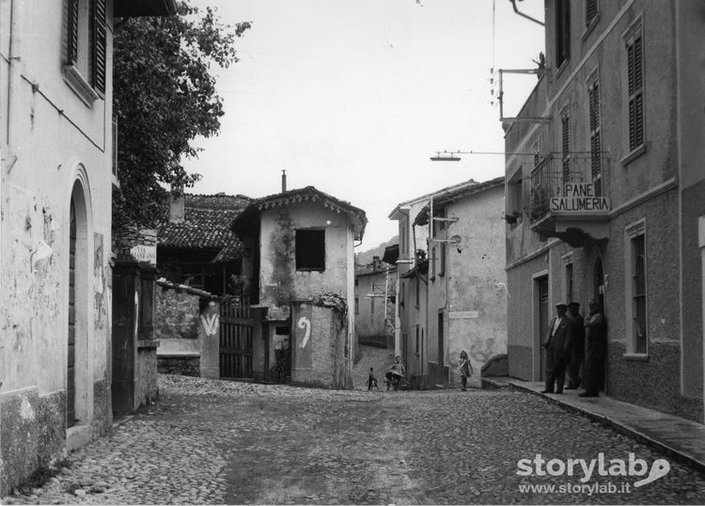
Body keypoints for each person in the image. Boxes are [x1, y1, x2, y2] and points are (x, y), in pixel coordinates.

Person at [579, 298, 607, 398]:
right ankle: (590, 388)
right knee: (590, 366)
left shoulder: (598, 316)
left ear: (597, 306)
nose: (591, 308)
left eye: (593, 306)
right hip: (592, 344)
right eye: (590, 306)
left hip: (597, 344)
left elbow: (588, 323)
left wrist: (588, 318)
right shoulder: (593, 315)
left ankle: (592, 390)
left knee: (592, 366)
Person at [542, 303, 570, 394]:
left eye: (562, 309)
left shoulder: (567, 321)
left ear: (565, 310)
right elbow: (549, 331)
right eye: (558, 309)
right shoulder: (553, 320)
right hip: (551, 344)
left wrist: (565, 347)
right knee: (549, 367)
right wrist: (546, 342)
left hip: (560, 346)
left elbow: (568, 336)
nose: (559, 311)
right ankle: (548, 388)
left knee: (559, 367)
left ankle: (559, 389)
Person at [565, 302, 585, 390]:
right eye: (572, 309)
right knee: (569, 365)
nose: (574, 310)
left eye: (576, 309)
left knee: (574, 364)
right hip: (570, 345)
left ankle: (576, 380)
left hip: (576, 346)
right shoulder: (570, 319)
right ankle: (572, 381)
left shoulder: (578, 319)